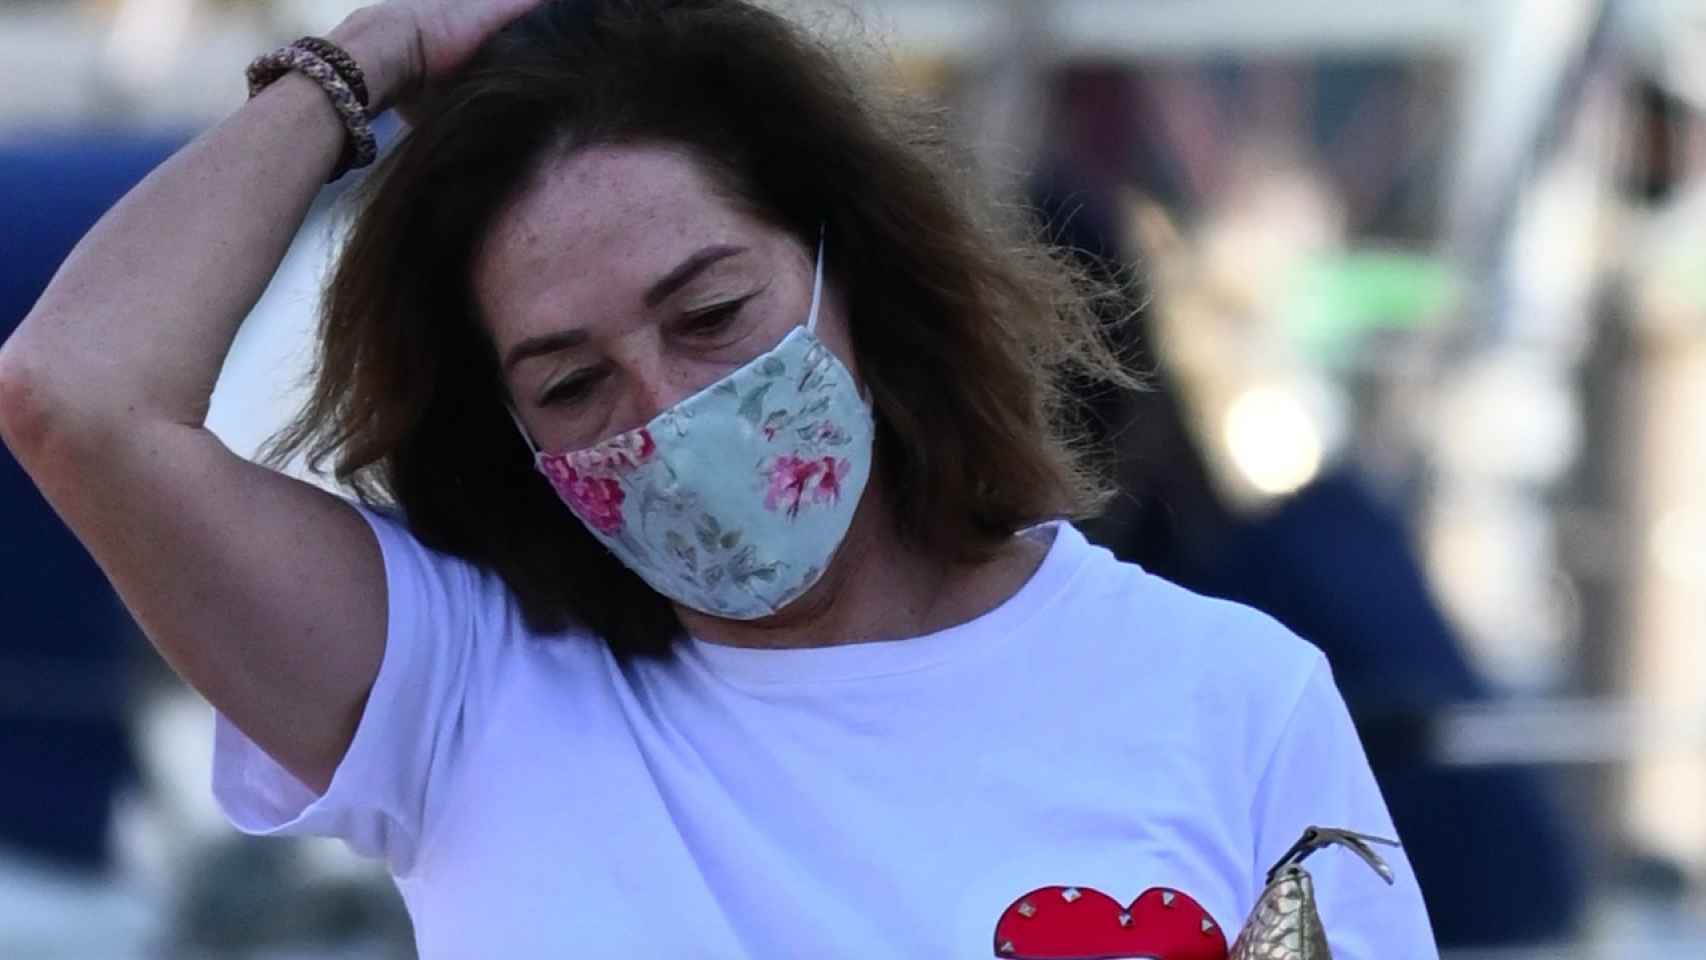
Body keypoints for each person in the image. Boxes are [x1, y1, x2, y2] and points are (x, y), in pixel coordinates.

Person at [0, 1, 1439, 956]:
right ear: (503, 433)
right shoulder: (460, 687)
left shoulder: (1227, 696)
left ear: (852, 273)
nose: (670, 409)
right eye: (571, 383)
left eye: (711, 318)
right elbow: (74, 395)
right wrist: (359, 66)